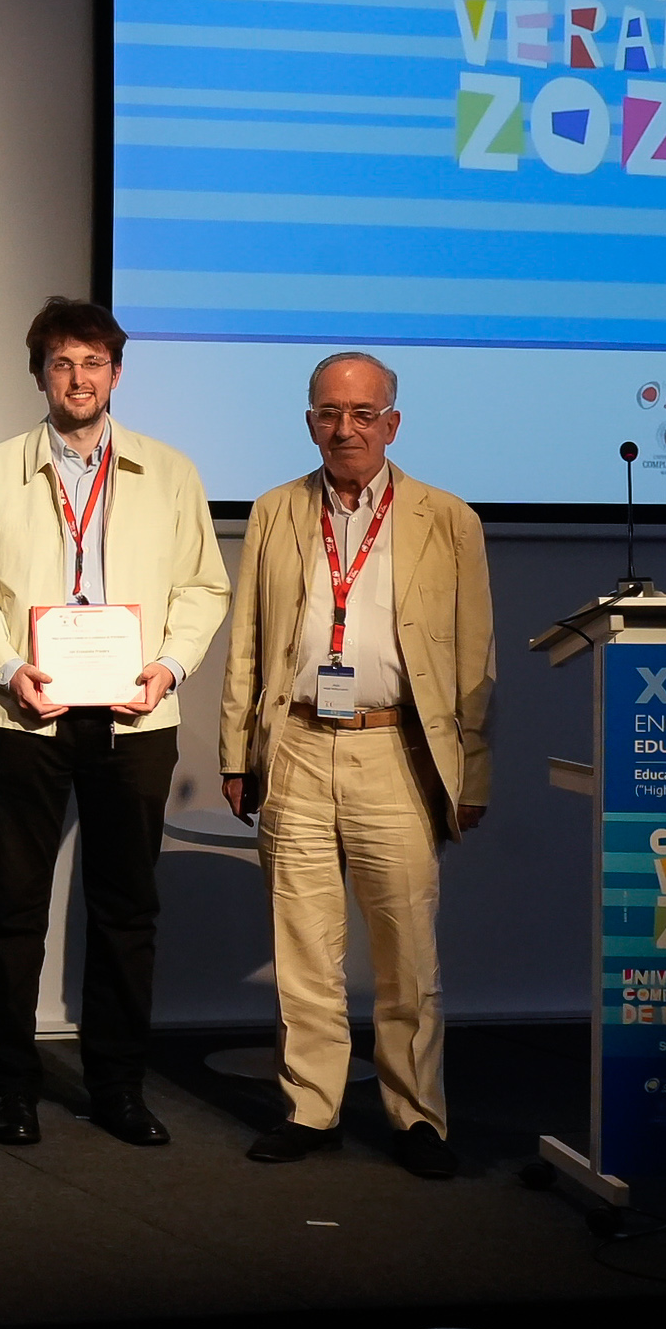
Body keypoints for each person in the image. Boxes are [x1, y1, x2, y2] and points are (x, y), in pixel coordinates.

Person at [0, 299, 229, 1148]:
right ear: (39, 374)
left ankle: (117, 1085)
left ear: (116, 373)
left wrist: (167, 666)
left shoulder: (167, 471)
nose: (78, 378)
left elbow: (203, 587)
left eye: (93, 362)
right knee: (12, 908)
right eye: (62, 363)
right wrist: (5, 667)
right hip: (19, 714)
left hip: (134, 718)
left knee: (126, 909)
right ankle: (13, 1085)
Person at [218, 352, 493, 1180]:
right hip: (296, 743)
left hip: (397, 748)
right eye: (330, 413)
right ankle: (310, 1107)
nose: (346, 428)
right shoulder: (275, 508)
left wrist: (469, 772)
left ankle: (416, 1119)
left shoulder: (447, 518)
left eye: (363, 413)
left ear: (391, 423)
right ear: (309, 421)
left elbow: (476, 654)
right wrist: (236, 751)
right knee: (301, 946)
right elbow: (249, 643)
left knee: (406, 949)